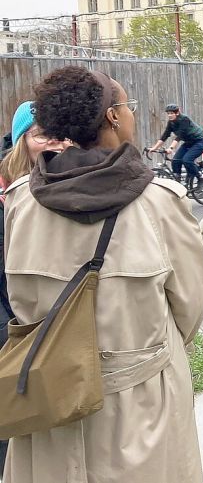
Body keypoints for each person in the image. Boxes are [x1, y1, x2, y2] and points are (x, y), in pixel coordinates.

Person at [4, 66, 203, 482]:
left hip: (50, 401)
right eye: (127, 106)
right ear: (113, 116)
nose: (132, 115)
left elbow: (21, 302)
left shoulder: (20, 203)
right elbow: (191, 305)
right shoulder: (160, 203)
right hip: (141, 404)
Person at [0, 100, 71, 477]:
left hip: (46, 322)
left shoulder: (60, 185)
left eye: (61, 136)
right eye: (43, 135)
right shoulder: (7, 189)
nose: (55, 144)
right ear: (20, 140)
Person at [149, 103, 203, 190]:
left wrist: (170, 148)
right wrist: (154, 148)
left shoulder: (184, 119)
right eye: (168, 113)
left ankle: (201, 178)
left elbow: (180, 136)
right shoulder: (171, 123)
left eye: (171, 113)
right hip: (189, 142)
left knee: (187, 160)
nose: (169, 115)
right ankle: (178, 183)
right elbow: (165, 135)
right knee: (176, 160)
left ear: (177, 113)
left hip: (200, 141)